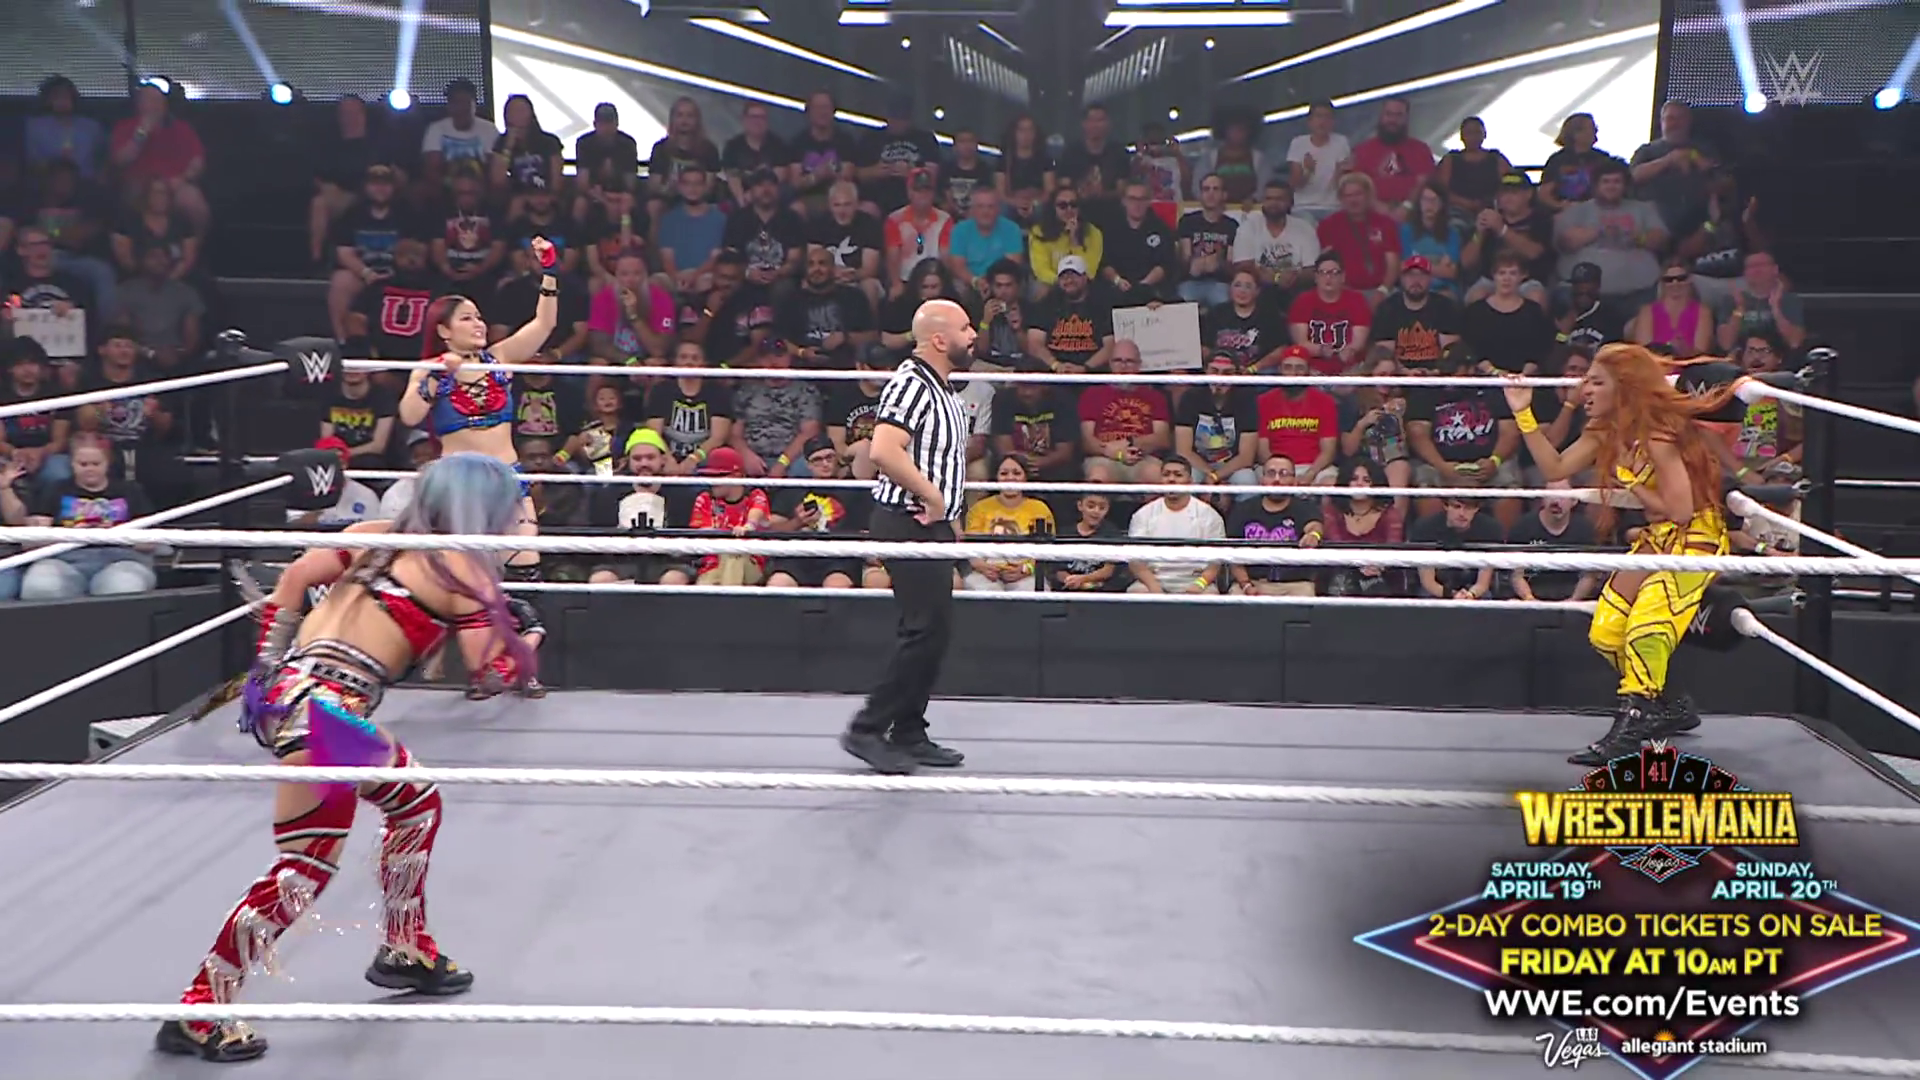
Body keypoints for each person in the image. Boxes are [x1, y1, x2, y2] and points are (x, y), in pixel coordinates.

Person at [157, 454, 542, 1062]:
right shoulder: (464, 568)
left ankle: (405, 947)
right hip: (328, 719)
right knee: (303, 867)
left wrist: (268, 665)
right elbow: (487, 673)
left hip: (297, 698)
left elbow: (292, 580)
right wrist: (526, 639)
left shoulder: (372, 536)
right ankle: (200, 1009)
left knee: (415, 802)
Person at [1503, 343, 1735, 765]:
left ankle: (1632, 726)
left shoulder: (1660, 433)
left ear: (1624, 388)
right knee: (1607, 631)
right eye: (1586, 381)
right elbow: (1555, 468)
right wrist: (1523, 413)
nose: (1584, 390)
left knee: (1646, 628)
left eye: (1596, 382)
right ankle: (1671, 706)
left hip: (1695, 538)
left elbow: (1682, 511)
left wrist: (1634, 483)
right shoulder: (1606, 430)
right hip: (1658, 536)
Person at [398, 236, 558, 690]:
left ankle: (521, 666)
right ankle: (472, 665)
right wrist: (436, 379)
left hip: (508, 479)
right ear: (444, 330)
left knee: (525, 565)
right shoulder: (429, 368)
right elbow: (409, 415)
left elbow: (544, 324)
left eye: (480, 316)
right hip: (459, 485)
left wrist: (549, 272)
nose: (479, 323)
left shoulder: (499, 358)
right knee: (466, 576)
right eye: (467, 317)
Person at [842, 298, 975, 775]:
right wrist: (932, 496)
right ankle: (867, 728)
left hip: (931, 523)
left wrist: (949, 515)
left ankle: (909, 730)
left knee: (932, 632)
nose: (973, 335)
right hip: (907, 520)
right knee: (923, 631)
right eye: (965, 327)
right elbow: (883, 449)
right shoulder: (911, 383)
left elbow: (942, 462)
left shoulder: (944, 390)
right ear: (939, 338)